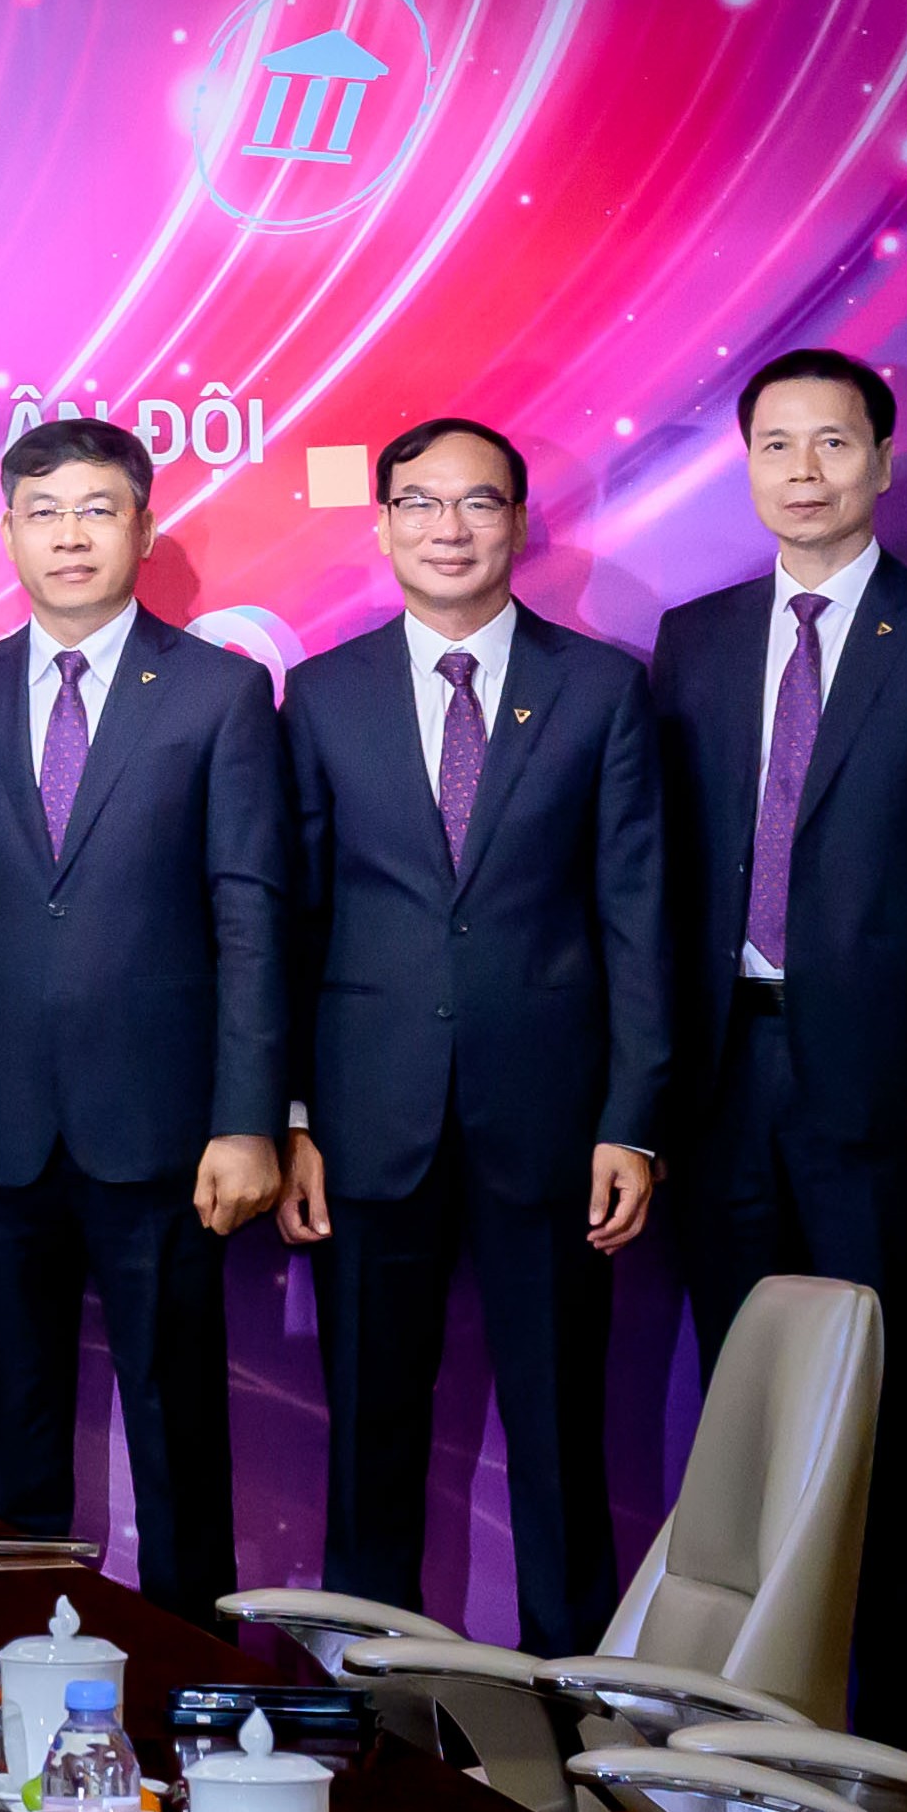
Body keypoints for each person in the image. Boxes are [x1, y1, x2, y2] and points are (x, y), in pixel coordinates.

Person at [652, 344, 907, 1729]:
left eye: (830, 443)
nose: (802, 471)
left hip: (883, 1086)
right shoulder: (694, 638)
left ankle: (903, 1730)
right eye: (775, 445)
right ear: (745, 466)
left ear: (879, 461)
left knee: (892, 1404)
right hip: (721, 1078)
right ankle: (754, 1720)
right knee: (747, 1397)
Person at [275, 415, 674, 1656]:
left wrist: (631, 1121)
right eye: (420, 503)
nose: (447, 529)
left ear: (517, 522)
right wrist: (292, 1117)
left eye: (477, 502)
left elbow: (638, 919)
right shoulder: (322, 693)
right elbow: (293, 920)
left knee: (559, 1444)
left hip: (550, 1129)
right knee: (369, 1441)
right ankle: (372, 1706)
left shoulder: (600, 688)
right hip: (365, 1125)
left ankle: (574, 1718)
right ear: (383, 522)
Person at [0, 416, 291, 1615]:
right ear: (6, 533)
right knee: (10, 1441)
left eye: (95, 509)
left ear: (142, 525)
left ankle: (191, 1682)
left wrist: (246, 1117)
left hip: (166, 1134)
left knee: (179, 1437)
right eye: (43, 512)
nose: (68, 536)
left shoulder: (220, 692)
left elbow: (250, 916)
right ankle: (10, 1672)